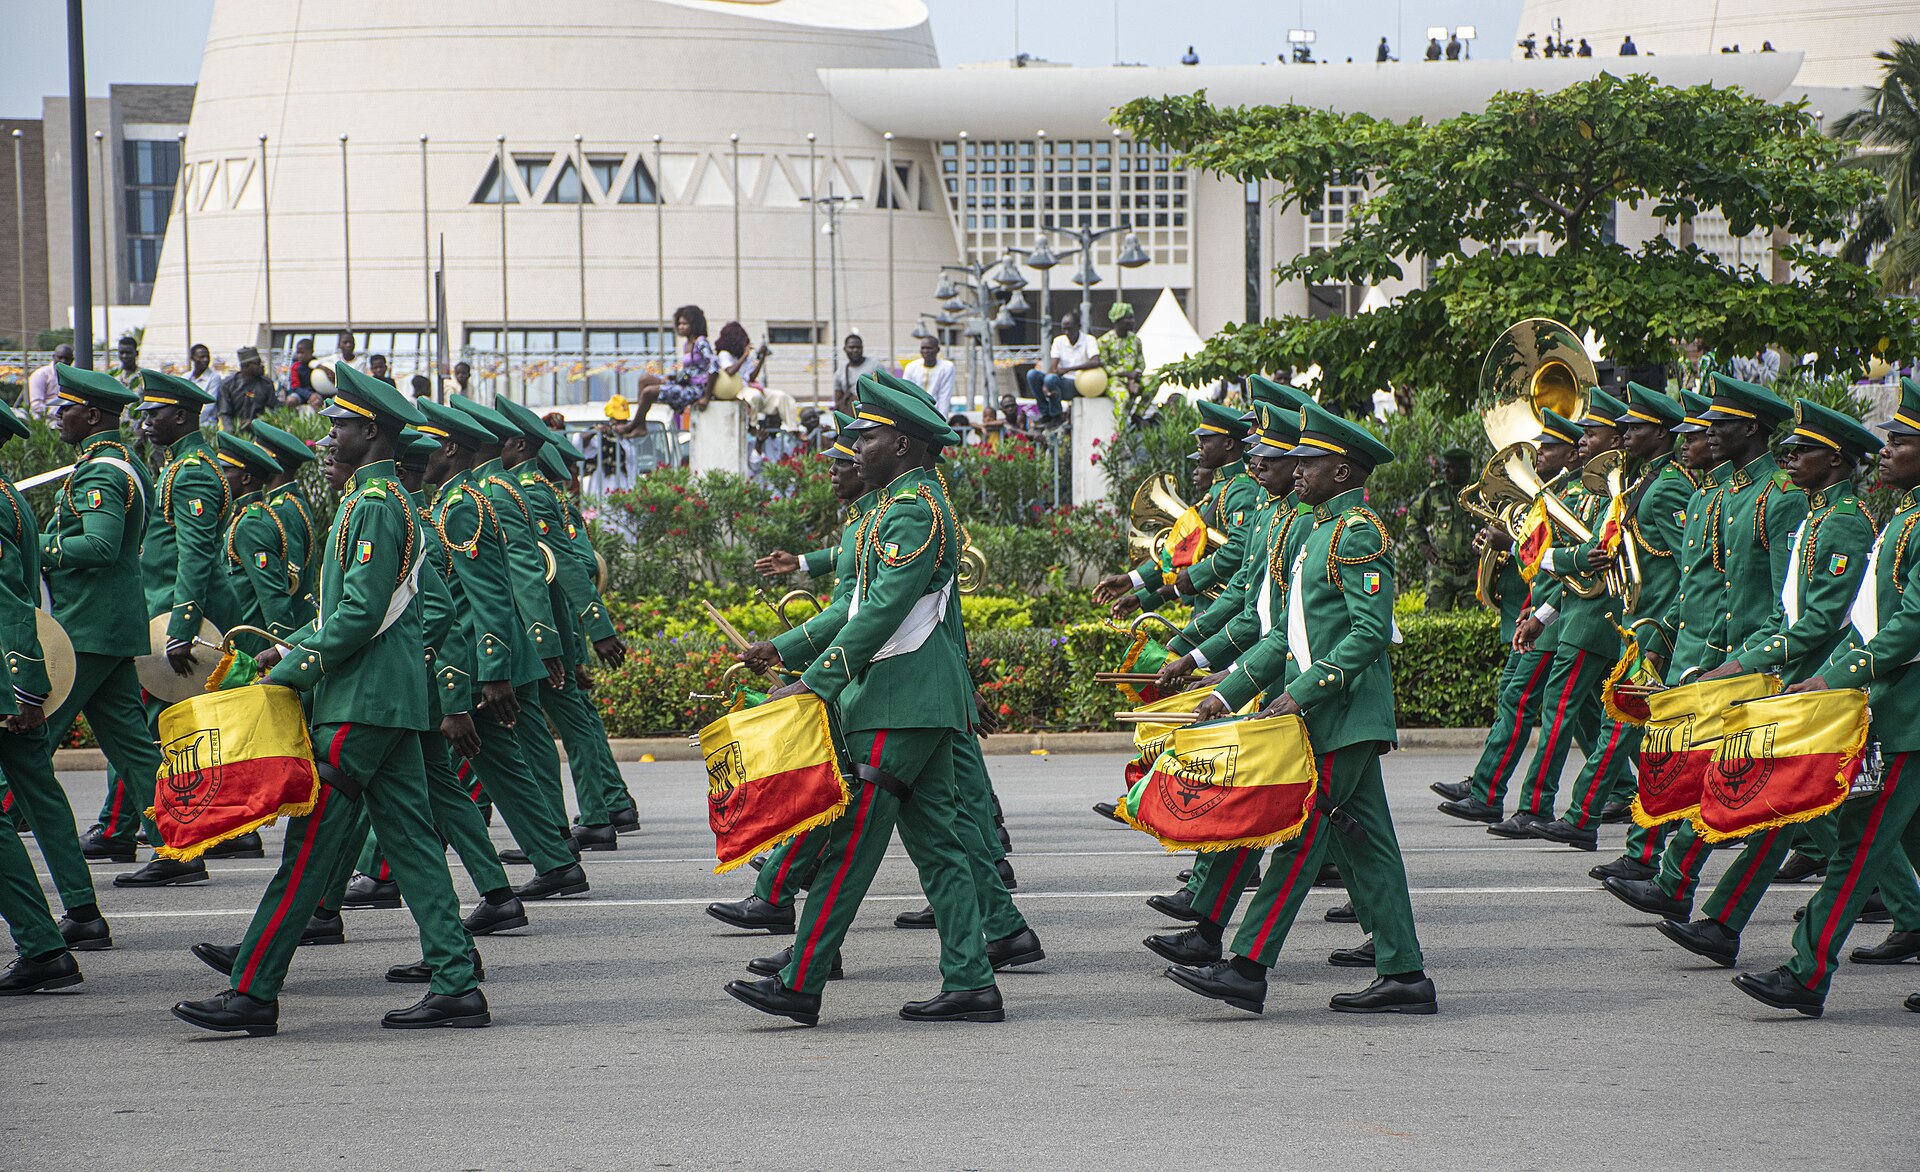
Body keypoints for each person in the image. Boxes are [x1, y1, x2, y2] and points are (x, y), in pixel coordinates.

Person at [171, 364, 488, 1036]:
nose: (328, 435)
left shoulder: (373, 504)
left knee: (308, 849)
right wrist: (282, 651)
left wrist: (292, 673)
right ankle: (456, 981)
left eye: (339, 423)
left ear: (369, 431)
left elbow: (361, 613)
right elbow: (350, 610)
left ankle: (254, 990)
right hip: (386, 700)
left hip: (361, 702)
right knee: (411, 845)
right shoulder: (381, 498)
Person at [724, 375, 1018, 1026]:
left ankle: (802, 981)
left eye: (868, 437)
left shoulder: (913, 510)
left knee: (847, 846)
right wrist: (785, 649)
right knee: (940, 845)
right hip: (911, 699)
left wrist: (817, 680)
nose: (855, 449)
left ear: (906, 445)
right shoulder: (901, 504)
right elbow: (859, 606)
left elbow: (882, 612)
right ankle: (971, 979)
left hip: (896, 699)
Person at [1167, 399, 1435, 1016]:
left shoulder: (1359, 531)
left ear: (1341, 472)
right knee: (1367, 844)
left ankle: (1247, 967)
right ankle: (1404, 973)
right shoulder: (1318, 532)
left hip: (1345, 714)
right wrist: (1222, 693)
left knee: (1299, 834)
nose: (1297, 469)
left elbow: (1369, 633)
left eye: (1308, 462)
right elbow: (1282, 638)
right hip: (1327, 716)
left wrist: (1304, 691)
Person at [1661, 399, 1920, 968]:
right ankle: (1724, 920)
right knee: (1816, 814)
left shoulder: (1849, 521)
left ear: (1833, 461)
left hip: (1858, 693)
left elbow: (1851, 624)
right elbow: (1798, 616)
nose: (1789, 457)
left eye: (1801, 450)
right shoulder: (1826, 518)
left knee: (1841, 828)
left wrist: (1828, 678)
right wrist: (1743, 663)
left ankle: (1783, 955)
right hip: (1828, 685)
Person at [1733, 377, 1920, 1017]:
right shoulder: (1905, 518)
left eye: (1902, 441)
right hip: (1894, 708)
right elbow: (1870, 618)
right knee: (1880, 840)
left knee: (1858, 847)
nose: (1888, 451)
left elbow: (1908, 625)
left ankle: (1806, 971)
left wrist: (1839, 675)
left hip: (1908, 713)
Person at [1603, 374, 1807, 920]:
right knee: (1742, 784)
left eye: (1720, 423)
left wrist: (1746, 658)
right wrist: (1681, 644)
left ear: (1751, 428)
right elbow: (1715, 586)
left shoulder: (1777, 499)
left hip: (1762, 662)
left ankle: (1674, 880)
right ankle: (1674, 882)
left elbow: (1788, 601)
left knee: (1766, 791)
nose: (1708, 431)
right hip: (1725, 656)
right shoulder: (1732, 495)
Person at [423, 396, 590, 899]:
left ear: (450, 448)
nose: (417, 452)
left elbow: (500, 587)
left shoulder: (463, 505)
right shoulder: (467, 497)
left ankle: (381, 874)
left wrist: (496, 665)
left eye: (427, 443)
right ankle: (554, 861)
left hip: (471, 660)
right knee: (497, 767)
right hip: (473, 658)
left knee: (422, 768)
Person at [41, 367, 169, 888]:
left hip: (88, 627)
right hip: (108, 625)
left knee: (29, 741)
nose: (56, 414)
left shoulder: (101, 472)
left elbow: (99, 546)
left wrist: (41, 548)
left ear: (92, 415)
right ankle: (178, 847)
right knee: (134, 750)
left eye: (65, 407)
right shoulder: (119, 462)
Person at [1486, 392, 1629, 839]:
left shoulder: (1622, 489)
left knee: (1561, 709)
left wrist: (1549, 558)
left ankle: (1536, 806)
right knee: (1611, 721)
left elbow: (1593, 555)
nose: (1584, 441)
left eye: (1591, 433)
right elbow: (1577, 565)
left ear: (1617, 438)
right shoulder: (1588, 493)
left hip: (1596, 620)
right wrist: (1544, 612)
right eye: (1582, 433)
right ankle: (1629, 798)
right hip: (1579, 615)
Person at [0, 394, 111, 959]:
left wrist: (22, 687)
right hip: (15, 670)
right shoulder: (10, 499)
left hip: (7, 674)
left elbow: (7, 601)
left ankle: (44, 945)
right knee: (40, 798)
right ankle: (79, 911)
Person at [1434, 416, 1585, 824]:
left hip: (1557, 617)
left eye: (1548, 450)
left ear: (1571, 454)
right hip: (1545, 613)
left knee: (1521, 702)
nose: (1538, 458)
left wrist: (1513, 543)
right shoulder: (1553, 494)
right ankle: (1622, 790)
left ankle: (1490, 790)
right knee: (1578, 712)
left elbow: (1560, 563)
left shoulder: (1573, 497)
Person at [1408, 448, 1479, 611]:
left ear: (1466, 469)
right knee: (1434, 622)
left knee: (1474, 620)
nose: (1445, 471)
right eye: (1445, 466)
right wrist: (1423, 546)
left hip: (1471, 572)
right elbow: (1412, 518)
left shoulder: (1478, 494)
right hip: (1441, 571)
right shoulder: (1435, 493)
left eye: (1451, 467)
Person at [623, 305, 717, 429]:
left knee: (648, 392)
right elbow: (690, 371)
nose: (681, 327)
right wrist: (673, 377)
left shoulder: (701, 342)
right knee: (644, 379)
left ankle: (637, 425)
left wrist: (706, 396)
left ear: (694, 324)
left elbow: (714, 367)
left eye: (685, 324)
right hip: (685, 382)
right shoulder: (686, 344)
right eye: (679, 324)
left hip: (696, 389)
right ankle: (641, 420)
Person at [1024, 312, 1099, 427]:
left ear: (1078, 326)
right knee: (1032, 375)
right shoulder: (1059, 341)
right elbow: (1054, 367)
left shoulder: (1089, 340)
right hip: (1058, 381)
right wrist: (1045, 386)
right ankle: (1045, 414)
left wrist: (1068, 369)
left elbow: (1095, 361)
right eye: (1064, 329)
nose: (1067, 333)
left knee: (1051, 379)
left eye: (1070, 329)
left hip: (1079, 383)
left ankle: (1056, 415)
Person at [217, 346, 277, 431]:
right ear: (246, 366)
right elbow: (225, 413)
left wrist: (255, 423)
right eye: (258, 363)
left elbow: (272, 410)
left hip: (260, 431)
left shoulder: (267, 384)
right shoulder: (227, 385)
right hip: (236, 432)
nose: (262, 366)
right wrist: (231, 432)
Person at [1098, 303, 1145, 410]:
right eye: (1129, 318)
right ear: (1118, 320)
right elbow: (1103, 366)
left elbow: (1141, 363)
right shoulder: (1104, 341)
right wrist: (1124, 373)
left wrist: (1136, 374)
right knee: (1123, 398)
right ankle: (1120, 427)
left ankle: (1138, 416)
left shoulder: (1136, 340)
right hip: (1114, 381)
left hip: (1134, 379)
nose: (1133, 321)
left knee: (1153, 382)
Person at [899, 335, 956, 420]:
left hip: (935, 414)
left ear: (937, 350)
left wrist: (942, 420)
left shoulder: (947, 367)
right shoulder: (911, 367)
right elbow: (906, 392)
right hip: (914, 412)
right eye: (923, 348)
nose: (926, 351)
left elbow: (945, 395)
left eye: (929, 348)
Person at [831, 332, 877, 417]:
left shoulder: (875, 366)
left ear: (862, 348)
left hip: (871, 415)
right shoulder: (840, 371)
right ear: (845, 349)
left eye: (858, 347)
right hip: (851, 416)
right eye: (851, 347)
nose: (855, 350)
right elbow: (838, 399)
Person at [25, 343, 72, 418]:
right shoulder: (41, 374)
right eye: (60, 357)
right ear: (54, 357)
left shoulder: (72, 377)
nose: (63, 361)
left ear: (72, 360)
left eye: (67, 358)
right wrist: (59, 413)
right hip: (44, 421)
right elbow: (36, 406)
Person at [187, 344, 219, 426]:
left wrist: (191, 422)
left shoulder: (214, 378)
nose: (206, 360)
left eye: (207, 357)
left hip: (206, 424)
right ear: (192, 358)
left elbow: (209, 405)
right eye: (201, 357)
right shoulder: (186, 377)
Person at [284, 338, 316, 408]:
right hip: (300, 394)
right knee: (291, 400)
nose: (300, 356)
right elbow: (295, 387)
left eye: (302, 353)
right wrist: (309, 395)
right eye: (298, 353)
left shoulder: (317, 364)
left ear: (311, 351)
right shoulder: (295, 367)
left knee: (317, 401)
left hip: (317, 394)